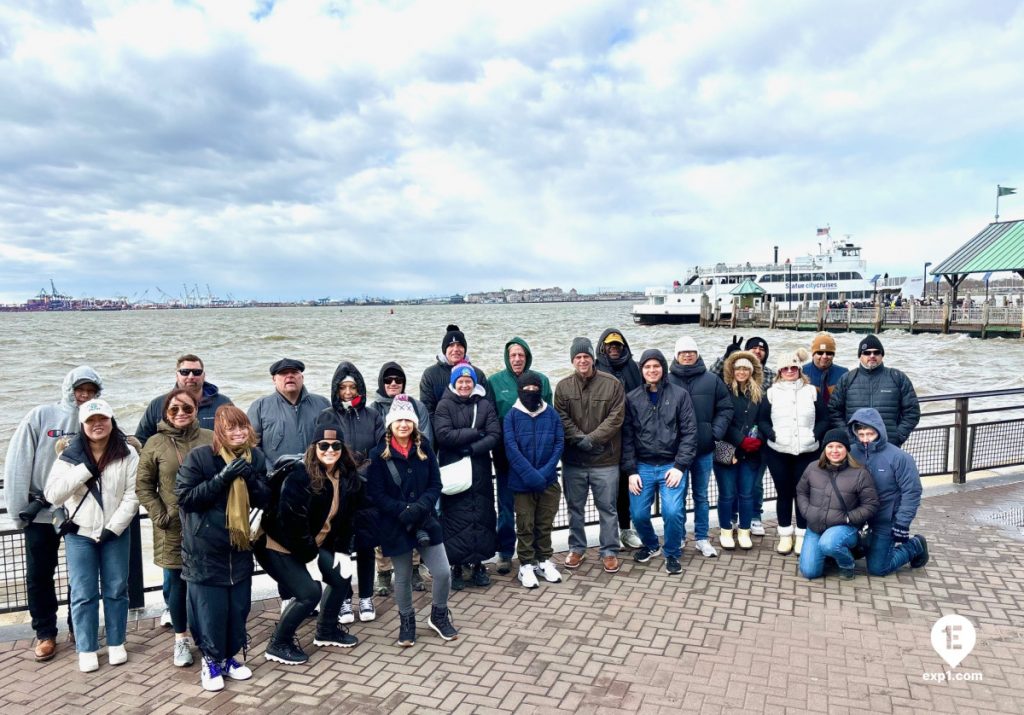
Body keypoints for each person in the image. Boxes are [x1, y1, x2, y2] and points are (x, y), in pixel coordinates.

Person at [4, 365, 103, 662]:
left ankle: (79, 627)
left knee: (82, 575)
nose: (84, 396)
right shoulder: (41, 416)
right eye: (79, 390)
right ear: (69, 389)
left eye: (91, 391)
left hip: (81, 513)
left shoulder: (99, 420)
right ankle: (46, 632)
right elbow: (18, 462)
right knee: (39, 575)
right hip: (42, 512)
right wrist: (17, 509)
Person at [176, 406, 269, 692]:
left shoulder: (257, 457)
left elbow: (266, 497)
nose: (238, 433)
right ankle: (210, 660)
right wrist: (222, 478)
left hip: (239, 547)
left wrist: (251, 477)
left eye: (242, 427)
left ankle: (229, 658)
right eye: (231, 428)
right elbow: (186, 498)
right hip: (205, 549)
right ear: (220, 431)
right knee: (209, 610)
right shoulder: (201, 457)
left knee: (237, 608)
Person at [44, 399, 138, 674]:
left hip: (115, 533)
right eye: (91, 420)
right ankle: (86, 647)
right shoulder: (69, 455)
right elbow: (53, 494)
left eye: (103, 418)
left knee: (117, 589)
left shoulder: (128, 453)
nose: (98, 424)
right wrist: (84, 469)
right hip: (80, 534)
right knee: (83, 593)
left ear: (111, 420)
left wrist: (114, 528)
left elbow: (133, 495)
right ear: (82, 425)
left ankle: (117, 641)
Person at [260, 422, 361, 665]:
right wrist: (311, 559)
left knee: (340, 578)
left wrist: (343, 551)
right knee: (309, 593)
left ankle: (326, 631)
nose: (330, 450)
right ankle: (278, 643)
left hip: (310, 546)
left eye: (335, 445)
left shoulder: (345, 475)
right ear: (314, 447)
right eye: (323, 445)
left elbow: (347, 519)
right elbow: (291, 524)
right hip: (279, 545)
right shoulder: (300, 475)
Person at [366, 395, 458, 647]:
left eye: (408, 419)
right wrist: (401, 510)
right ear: (390, 424)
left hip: (425, 519)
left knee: (442, 572)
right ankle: (407, 621)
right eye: (399, 420)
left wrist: (420, 507)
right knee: (403, 576)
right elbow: (376, 493)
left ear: (415, 423)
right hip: (396, 524)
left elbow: (435, 484)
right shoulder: (378, 454)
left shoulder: (425, 447)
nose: (403, 424)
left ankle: (439, 615)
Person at [136, 387, 213, 668]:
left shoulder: (209, 438)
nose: (181, 414)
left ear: (196, 411)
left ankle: (206, 636)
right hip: (172, 527)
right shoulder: (155, 443)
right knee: (177, 586)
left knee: (204, 583)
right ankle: (181, 639)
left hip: (206, 524)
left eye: (187, 409)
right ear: (165, 413)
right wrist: (161, 515)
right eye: (174, 409)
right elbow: (143, 486)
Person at [316, 362, 385, 623]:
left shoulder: (371, 415)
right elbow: (321, 451)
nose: (347, 391)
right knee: (340, 547)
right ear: (336, 389)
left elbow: (380, 449)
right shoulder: (327, 415)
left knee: (366, 546)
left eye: (352, 386)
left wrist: (363, 472)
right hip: (338, 490)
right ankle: (344, 599)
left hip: (365, 491)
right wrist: (343, 473)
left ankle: (366, 597)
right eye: (343, 387)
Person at [620, 349, 697, 575]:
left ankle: (672, 552)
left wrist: (680, 466)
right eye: (647, 367)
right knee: (639, 514)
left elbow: (689, 433)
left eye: (656, 366)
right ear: (641, 370)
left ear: (663, 368)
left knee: (673, 512)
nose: (652, 370)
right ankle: (652, 544)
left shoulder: (680, 395)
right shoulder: (632, 398)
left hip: (670, 465)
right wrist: (631, 471)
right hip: (642, 466)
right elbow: (627, 437)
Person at [554, 338, 626, 573]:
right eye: (577, 357)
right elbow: (561, 417)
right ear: (572, 360)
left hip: (605, 460)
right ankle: (577, 548)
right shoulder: (563, 387)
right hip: (574, 460)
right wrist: (579, 439)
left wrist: (592, 439)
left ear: (592, 358)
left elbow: (616, 417)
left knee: (607, 507)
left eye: (585, 356)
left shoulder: (612, 384)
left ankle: (609, 551)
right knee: (575, 508)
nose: (582, 361)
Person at [433, 362, 501, 590]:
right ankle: (457, 566)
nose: (464, 385)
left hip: (479, 466)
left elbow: (494, 434)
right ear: (454, 383)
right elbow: (443, 435)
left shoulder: (484, 404)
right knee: (454, 519)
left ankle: (478, 564)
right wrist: (474, 433)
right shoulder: (444, 405)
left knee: (481, 516)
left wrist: (473, 448)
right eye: (460, 381)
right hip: (454, 468)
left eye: (468, 381)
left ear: (474, 383)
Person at [489, 338, 553, 574]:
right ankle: (505, 552)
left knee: (534, 506)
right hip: (506, 456)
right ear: (507, 357)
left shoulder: (542, 381)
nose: (517, 359)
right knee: (506, 504)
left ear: (527, 357)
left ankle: (536, 552)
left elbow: (548, 416)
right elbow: (491, 419)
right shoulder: (494, 382)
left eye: (521, 355)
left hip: (535, 458)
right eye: (513, 355)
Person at [666, 336, 733, 558]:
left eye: (691, 351)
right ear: (676, 355)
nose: (687, 355)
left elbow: (725, 408)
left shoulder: (712, 379)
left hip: (704, 449)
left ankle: (702, 538)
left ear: (697, 354)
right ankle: (681, 535)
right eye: (683, 352)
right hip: (677, 452)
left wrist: (714, 433)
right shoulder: (666, 380)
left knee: (701, 496)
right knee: (678, 496)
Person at [370, 361, 433, 594]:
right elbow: (374, 442)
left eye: (398, 380)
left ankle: (415, 569)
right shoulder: (374, 408)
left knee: (415, 519)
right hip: (388, 473)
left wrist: (421, 464)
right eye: (388, 380)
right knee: (385, 527)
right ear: (381, 383)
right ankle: (384, 573)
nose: (393, 383)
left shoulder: (417, 406)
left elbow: (426, 436)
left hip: (414, 470)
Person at [761, 348, 828, 556]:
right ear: (780, 372)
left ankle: (801, 536)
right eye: (785, 368)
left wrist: (814, 435)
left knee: (803, 494)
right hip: (778, 451)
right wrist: (772, 435)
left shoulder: (812, 391)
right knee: (784, 493)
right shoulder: (771, 393)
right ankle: (784, 536)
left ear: (799, 369)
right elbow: (761, 420)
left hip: (807, 451)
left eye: (793, 367)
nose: (790, 371)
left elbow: (825, 418)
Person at [847, 408, 929, 576]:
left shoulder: (899, 457)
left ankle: (915, 545)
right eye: (861, 435)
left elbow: (911, 491)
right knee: (844, 548)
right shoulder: (850, 453)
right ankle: (867, 543)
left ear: (879, 431)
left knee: (878, 568)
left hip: (886, 518)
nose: (865, 440)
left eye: (870, 434)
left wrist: (902, 523)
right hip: (859, 515)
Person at [503, 371, 565, 588]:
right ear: (520, 390)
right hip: (522, 482)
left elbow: (559, 443)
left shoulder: (552, 414)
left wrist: (544, 473)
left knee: (544, 523)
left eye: (534, 389)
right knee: (525, 524)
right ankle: (526, 565)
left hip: (548, 480)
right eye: (526, 389)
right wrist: (530, 475)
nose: (531, 393)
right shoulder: (511, 416)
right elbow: (511, 448)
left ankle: (544, 560)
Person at [711, 336, 775, 537]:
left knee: (749, 490)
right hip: (728, 448)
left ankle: (749, 525)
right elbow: (719, 417)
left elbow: (766, 417)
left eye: (746, 368)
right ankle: (727, 527)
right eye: (738, 368)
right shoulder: (723, 387)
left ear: (752, 370)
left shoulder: (762, 389)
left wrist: (760, 440)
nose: (741, 372)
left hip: (753, 449)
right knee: (727, 493)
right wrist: (727, 355)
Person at [796, 428, 879, 580]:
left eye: (839, 446)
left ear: (846, 449)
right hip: (815, 526)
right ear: (824, 449)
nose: (834, 450)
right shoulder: (813, 468)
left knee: (829, 543)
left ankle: (847, 564)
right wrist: (807, 512)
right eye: (830, 446)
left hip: (843, 527)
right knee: (809, 572)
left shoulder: (860, 473)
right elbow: (801, 491)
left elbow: (871, 504)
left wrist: (849, 518)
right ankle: (829, 557)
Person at [595, 328, 646, 551]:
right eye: (610, 346)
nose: (614, 349)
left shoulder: (633, 367)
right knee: (606, 489)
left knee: (627, 487)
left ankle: (626, 529)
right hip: (605, 439)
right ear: (603, 347)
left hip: (629, 438)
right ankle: (609, 533)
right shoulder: (596, 368)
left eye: (618, 345)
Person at [828, 335, 920, 447]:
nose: (872, 356)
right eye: (867, 353)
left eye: (876, 352)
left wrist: (897, 436)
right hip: (856, 447)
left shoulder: (897, 377)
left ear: (882, 355)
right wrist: (848, 437)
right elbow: (834, 411)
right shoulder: (847, 379)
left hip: (888, 446)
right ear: (860, 356)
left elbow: (912, 411)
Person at [247, 358, 330, 466]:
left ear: (302, 377)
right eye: (283, 373)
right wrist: (268, 469)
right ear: (274, 379)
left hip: (316, 472)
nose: (290, 376)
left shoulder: (322, 403)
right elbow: (252, 446)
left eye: (294, 372)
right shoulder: (259, 406)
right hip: (276, 475)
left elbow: (332, 440)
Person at [135, 354, 232, 445]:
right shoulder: (157, 404)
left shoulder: (223, 403)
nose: (191, 377)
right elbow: (141, 441)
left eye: (197, 372)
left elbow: (238, 435)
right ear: (177, 375)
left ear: (204, 376)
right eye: (185, 372)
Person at [419, 324, 489, 416]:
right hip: (440, 426)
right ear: (444, 350)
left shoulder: (478, 374)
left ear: (465, 349)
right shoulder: (430, 374)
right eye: (451, 345)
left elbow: (488, 408)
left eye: (459, 345)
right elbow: (427, 410)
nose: (455, 349)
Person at [803, 333, 848, 408]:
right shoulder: (802, 372)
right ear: (813, 354)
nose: (824, 356)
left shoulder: (844, 373)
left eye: (829, 353)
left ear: (833, 355)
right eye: (820, 353)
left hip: (834, 416)